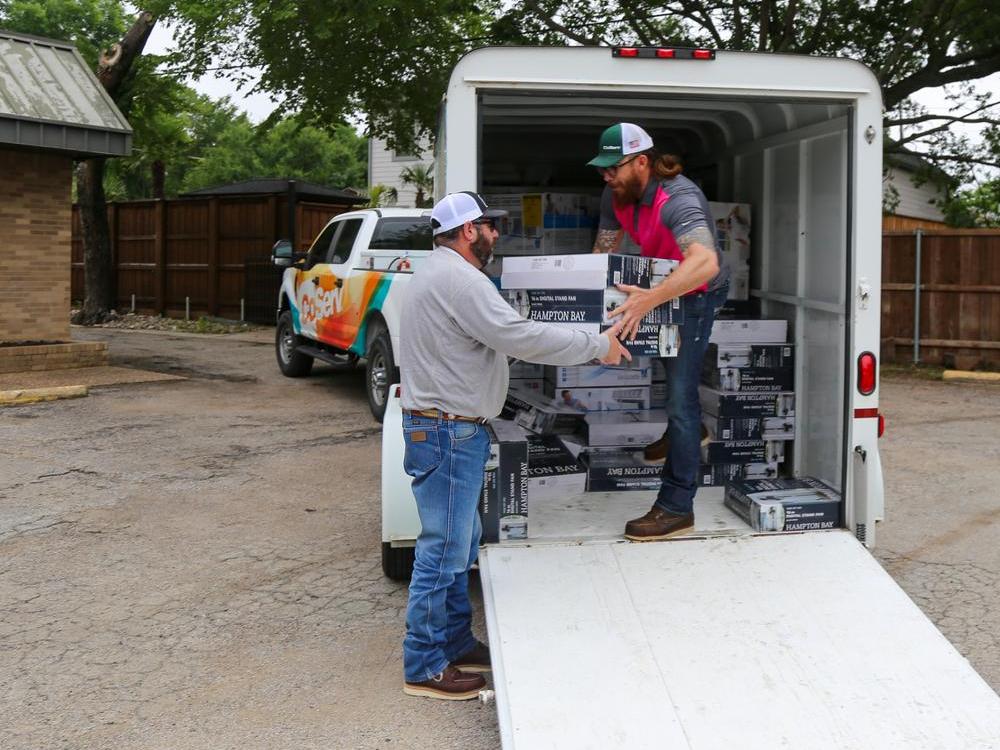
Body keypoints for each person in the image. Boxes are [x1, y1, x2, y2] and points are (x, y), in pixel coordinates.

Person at [399, 190, 630, 700]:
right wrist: (597, 343)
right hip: (447, 432)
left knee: (457, 547)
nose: (496, 234)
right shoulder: (461, 280)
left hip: (446, 428)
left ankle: (455, 642)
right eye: (489, 226)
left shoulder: (435, 274)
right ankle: (424, 664)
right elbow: (519, 336)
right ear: (466, 231)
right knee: (443, 549)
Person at [587, 122, 730, 541]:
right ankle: (686, 433)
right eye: (602, 169)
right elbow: (603, 252)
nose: (606, 175)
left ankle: (676, 507)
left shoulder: (677, 199)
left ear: (643, 162)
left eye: (614, 167)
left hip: (699, 293)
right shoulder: (615, 196)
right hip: (661, 287)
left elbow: (705, 262)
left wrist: (649, 299)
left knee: (681, 397)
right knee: (670, 381)